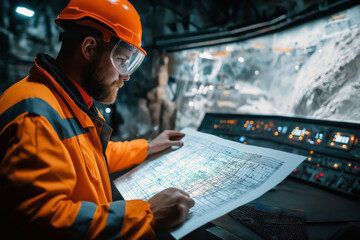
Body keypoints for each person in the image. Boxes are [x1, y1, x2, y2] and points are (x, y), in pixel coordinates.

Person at [0, 0, 195, 239]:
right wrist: (147, 214)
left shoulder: (68, 101)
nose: (126, 76)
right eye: (122, 61)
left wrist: (148, 147)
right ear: (89, 48)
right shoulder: (35, 116)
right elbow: (44, 220)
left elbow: (91, 156)